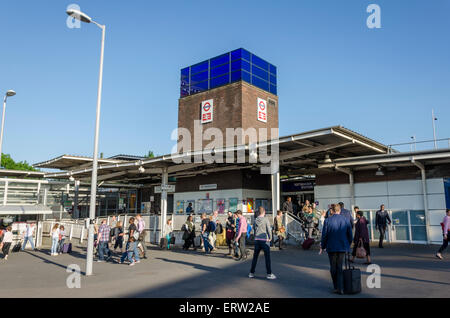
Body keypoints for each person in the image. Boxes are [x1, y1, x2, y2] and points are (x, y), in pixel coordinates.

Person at [319, 203, 353, 295]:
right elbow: (350, 235)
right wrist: (348, 244)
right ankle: (341, 287)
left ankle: (336, 286)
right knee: (339, 266)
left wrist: (322, 246)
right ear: (340, 210)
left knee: (333, 267)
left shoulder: (327, 221)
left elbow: (324, 235)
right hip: (342, 246)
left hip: (331, 247)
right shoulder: (346, 220)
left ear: (332, 211)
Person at [249, 207, 276, 280]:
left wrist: (255, 237)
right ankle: (269, 273)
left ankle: (251, 273)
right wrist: (270, 238)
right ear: (264, 212)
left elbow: (253, 230)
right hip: (264, 240)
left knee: (255, 257)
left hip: (257, 240)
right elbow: (268, 229)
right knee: (267, 258)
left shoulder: (255, 220)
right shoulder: (265, 219)